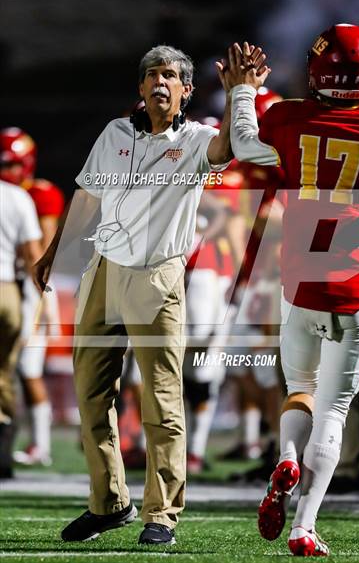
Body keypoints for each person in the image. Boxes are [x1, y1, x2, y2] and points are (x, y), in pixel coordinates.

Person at [222, 25, 359, 556]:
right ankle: (304, 527)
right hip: (358, 287)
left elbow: (243, 145)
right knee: (335, 409)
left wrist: (241, 91)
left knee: (300, 388)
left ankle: (286, 455)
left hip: (301, 282)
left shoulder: (288, 117)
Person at [33, 45, 232, 545]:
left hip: (156, 274)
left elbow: (227, 150)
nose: (160, 82)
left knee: (161, 398)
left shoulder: (196, 139)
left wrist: (239, 94)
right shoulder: (114, 132)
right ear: (140, 87)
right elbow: (87, 198)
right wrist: (53, 253)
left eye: (170, 75)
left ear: (186, 89)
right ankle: (108, 503)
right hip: (103, 269)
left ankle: (161, 513)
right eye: (151, 75)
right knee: (90, 393)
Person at [0, 127, 65, 467]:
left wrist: (46, 300)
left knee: (28, 369)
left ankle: (40, 443)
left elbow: (42, 252)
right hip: (14, 287)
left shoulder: (38, 195)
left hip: (29, 288)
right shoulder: (15, 196)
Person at [0, 178, 42, 479]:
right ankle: (2, 453)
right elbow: (32, 254)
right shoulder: (17, 197)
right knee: (4, 372)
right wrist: (43, 299)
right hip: (6, 291)